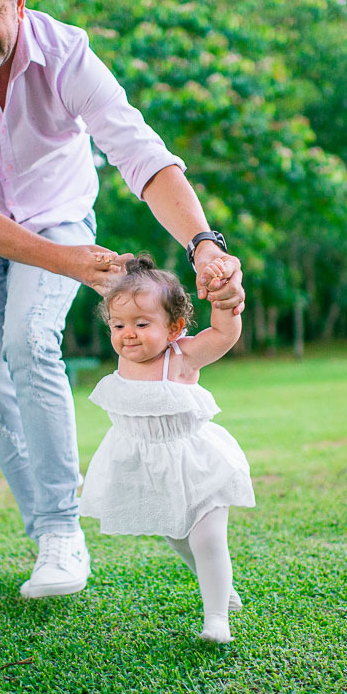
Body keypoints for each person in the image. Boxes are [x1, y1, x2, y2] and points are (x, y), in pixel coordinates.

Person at [0, 0, 246, 600]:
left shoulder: (67, 54)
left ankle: (62, 532)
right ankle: (47, 532)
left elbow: (140, 153)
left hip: (59, 220)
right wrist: (71, 266)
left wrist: (202, 242)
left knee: (28, 340)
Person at [79, 256, 255, 643]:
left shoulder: (181, 356)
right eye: (119, 325)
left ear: (174, 328)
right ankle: (221, 587)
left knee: (207, 538)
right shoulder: (126, 358)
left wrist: (225, 303)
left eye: (142, 325)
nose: (129, 334)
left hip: (195, 463)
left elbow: (223, 336)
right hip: (149, 470)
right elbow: (115, 295)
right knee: (177, 534)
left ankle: (217, 619)